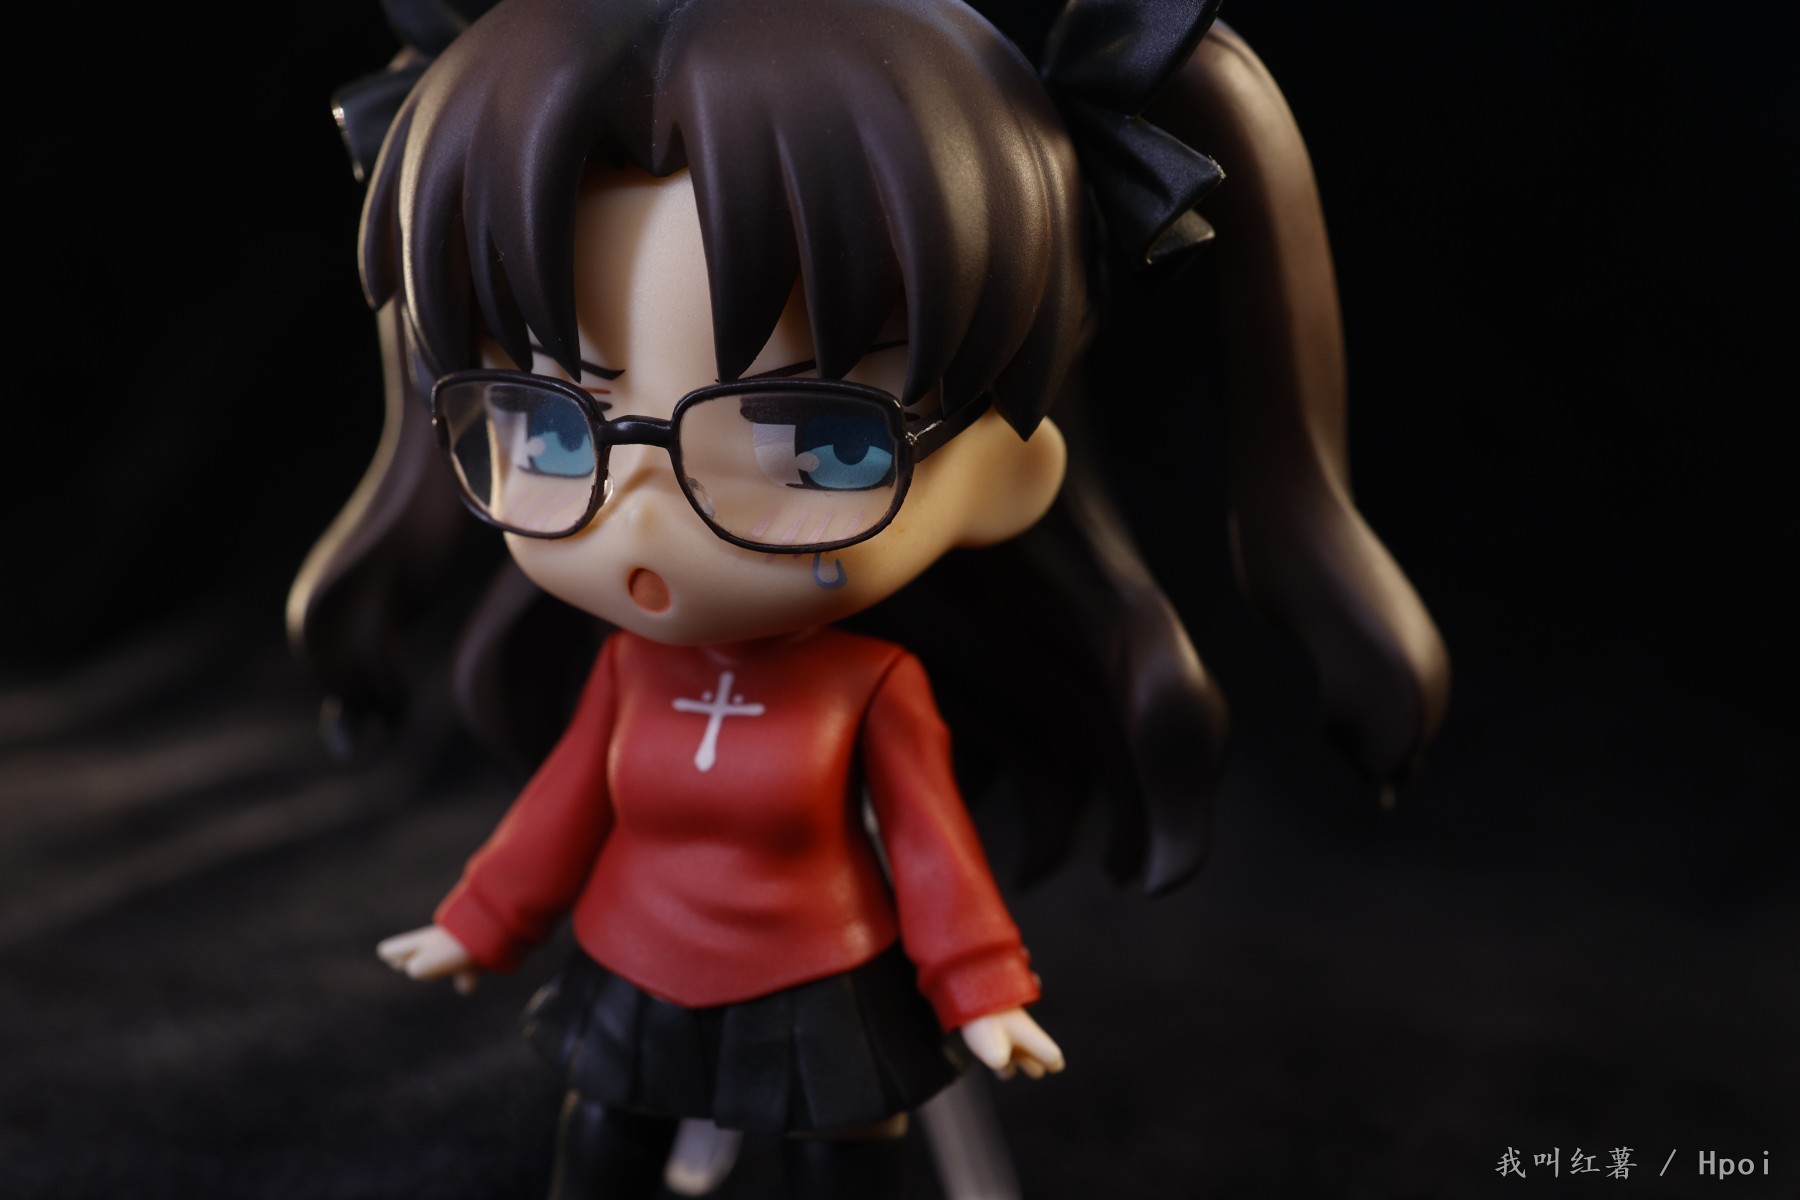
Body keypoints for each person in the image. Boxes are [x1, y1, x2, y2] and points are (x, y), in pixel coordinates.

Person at [292, 1, 1449, 1196]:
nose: (640, 520)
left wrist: (982, 994)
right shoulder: (630, 673)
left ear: (1003, 472)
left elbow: (936, 860)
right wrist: (479, 925)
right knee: (601, 1145)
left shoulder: (872, 690)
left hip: (820, 981)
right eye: (544, 423)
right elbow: (558, 817)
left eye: (814, 443)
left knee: (840, 1164)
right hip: (634, 962)